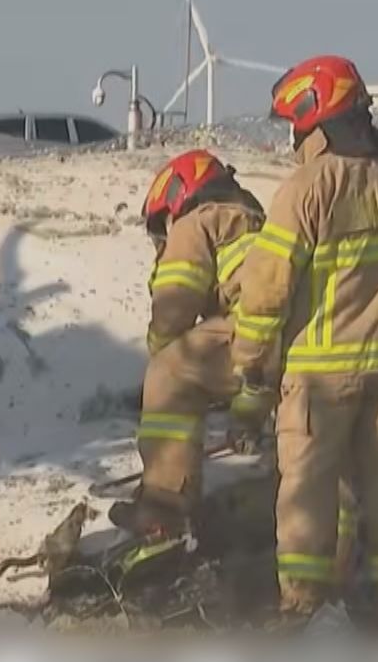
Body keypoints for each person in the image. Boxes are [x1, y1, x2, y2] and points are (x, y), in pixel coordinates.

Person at [230, 55, 378, 623]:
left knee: (307, 491)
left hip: (319, 379)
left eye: (297, 127)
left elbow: (265, 292)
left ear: (315, 121)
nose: (295, 138)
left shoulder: (307, 188)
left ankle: (303, 607)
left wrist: (252, 366)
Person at [108, 150, 266, 554]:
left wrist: (157, 366)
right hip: (302, 340)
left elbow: (173, 310)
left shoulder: (197, 222)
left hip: (256, 333)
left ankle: (164, 505)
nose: (163, 240)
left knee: (171, 371)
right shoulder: (250, 216)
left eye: (162, 229)